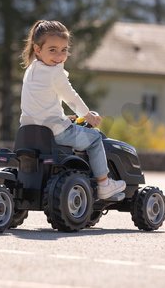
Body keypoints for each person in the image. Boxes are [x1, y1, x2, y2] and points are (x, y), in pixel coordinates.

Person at [20, 20, 126, 199]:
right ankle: (103, 183)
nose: (59, 56)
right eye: (52, 50)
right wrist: (87, 115)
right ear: (38, 50)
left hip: (30, 131)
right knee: (95, 138)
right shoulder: (55, 73)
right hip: (56, 132)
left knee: (77, 130)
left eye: (64, 50)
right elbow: (71, 97)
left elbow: (42, 104)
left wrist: (63, 118)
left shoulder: (31, 70)